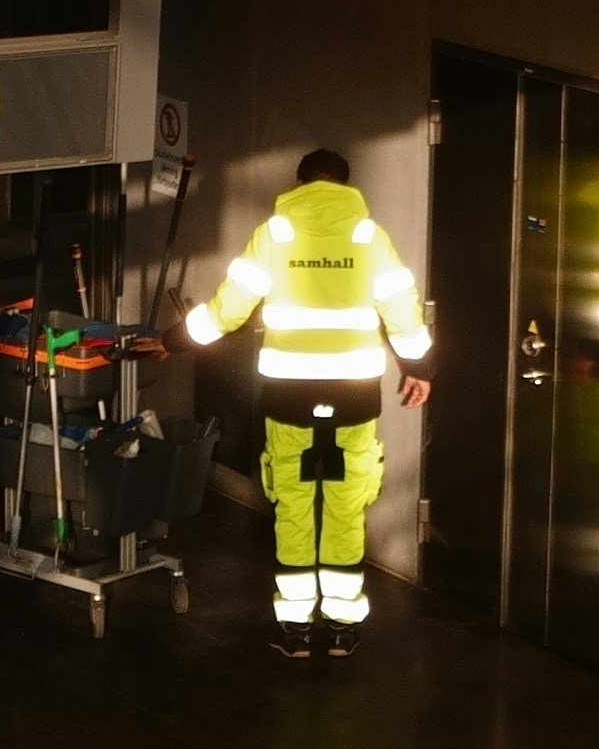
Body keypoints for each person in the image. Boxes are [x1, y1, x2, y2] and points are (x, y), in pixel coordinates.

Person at [185, 148, 431, 656]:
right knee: (345, 504)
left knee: (294, 505)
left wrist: (178, 339)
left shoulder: (275, 234)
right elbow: (402, 310)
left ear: (300, 183)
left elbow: (228, 311)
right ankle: (342, 628)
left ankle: (294, 630)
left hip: (289, 394)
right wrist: (419, 370)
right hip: (354, 394)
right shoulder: (369, 237)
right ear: (345, 184)